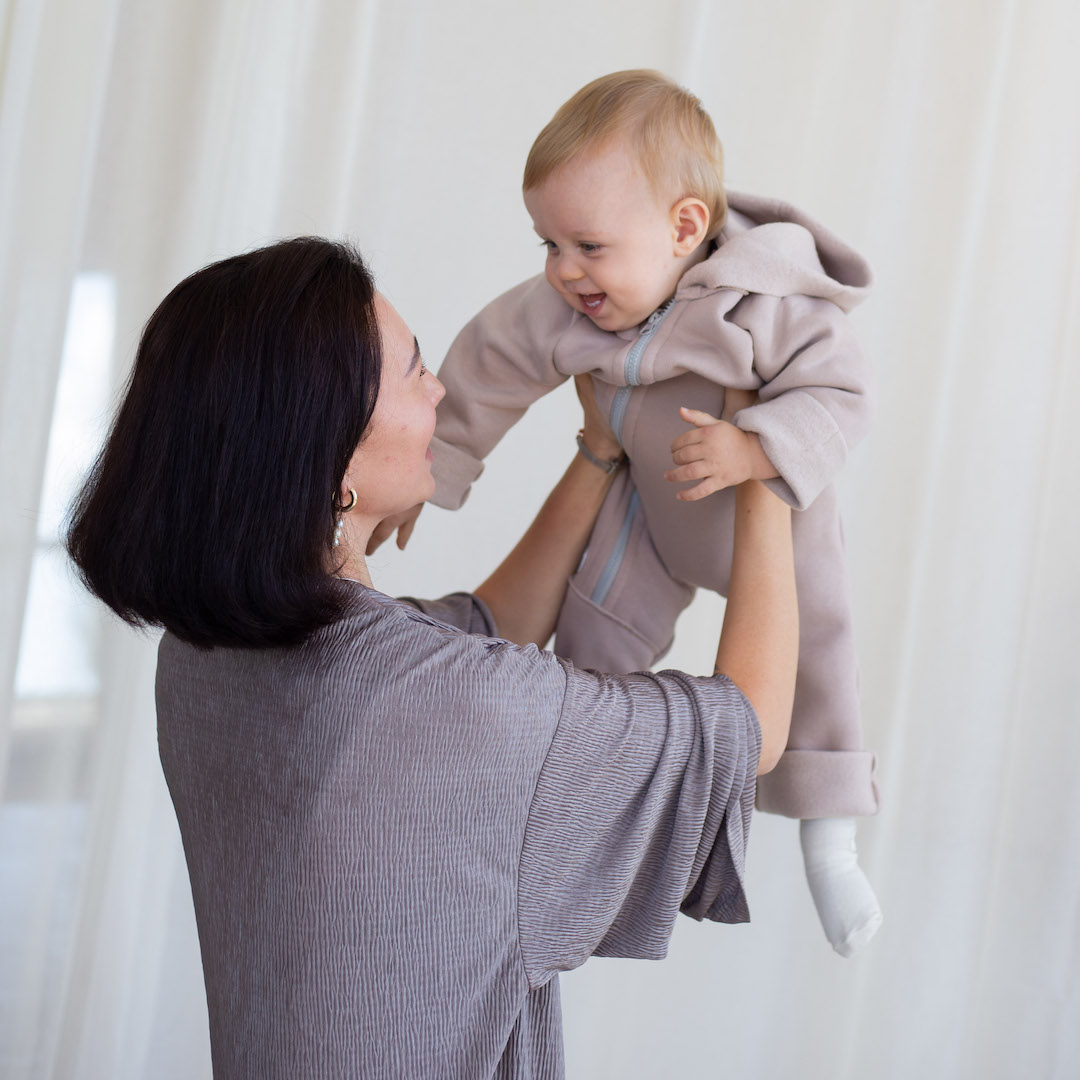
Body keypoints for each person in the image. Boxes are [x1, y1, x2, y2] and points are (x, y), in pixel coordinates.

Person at [65, 237, 798, 1079]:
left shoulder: (206, 659)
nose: (441, 387)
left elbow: (482, 629)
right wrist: (766, 474)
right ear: (331, 456)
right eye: (414, 370)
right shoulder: (440, 700)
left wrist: (599, 452)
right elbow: (749, 727)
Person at [379, 69, 882, 957]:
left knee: (821, 658)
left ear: (684, 227)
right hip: (651, 505)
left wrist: (759, 445)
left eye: (586, 245)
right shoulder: (571, 303)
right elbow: (491, 364)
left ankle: (830, 841)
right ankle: (584, 816)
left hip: (765, 515)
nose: (563, 271)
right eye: (546, 243)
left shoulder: (767, 301)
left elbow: (842, 392)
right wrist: (437, 467)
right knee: (595, 632)